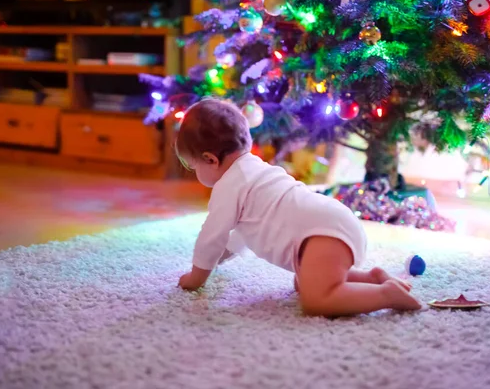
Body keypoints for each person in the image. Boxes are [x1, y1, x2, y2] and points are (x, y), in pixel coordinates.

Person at [176, 98, 421, 317]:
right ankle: (372, 279)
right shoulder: (256, 171)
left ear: (210, 159)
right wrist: (219, 258)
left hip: (322, 235)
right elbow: (241, 233)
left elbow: (212, 236)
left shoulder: (227, 186)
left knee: (317, 300)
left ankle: (385, 295)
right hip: (331, 224)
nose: (195, 172)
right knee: (303, 282)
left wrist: (196, 277)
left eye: (192, 166)